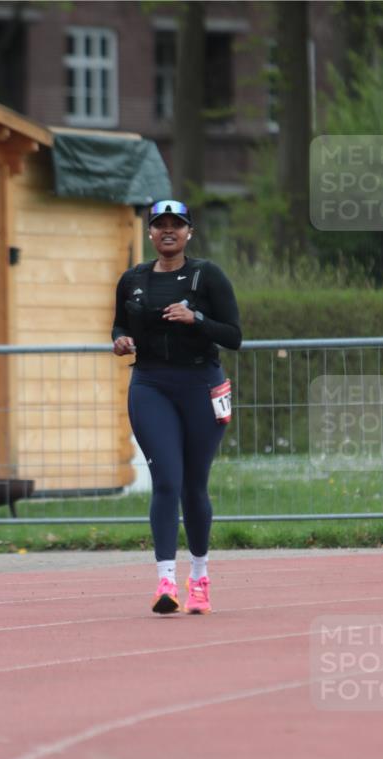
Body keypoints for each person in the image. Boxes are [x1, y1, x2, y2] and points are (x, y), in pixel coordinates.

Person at [111, 199, 242, 615]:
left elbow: (234, 335)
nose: (168, 231)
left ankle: (199, 577)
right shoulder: (132, 279)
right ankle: (165, 581)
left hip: (200, 384)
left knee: (193, 486)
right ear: (149, 232)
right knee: (166, 479)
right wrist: (120, 340)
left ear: (189, 233)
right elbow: (119, 323)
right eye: (160, 225)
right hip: (150, 384)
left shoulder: (208, 275)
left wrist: (196, 318)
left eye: (177, 225)